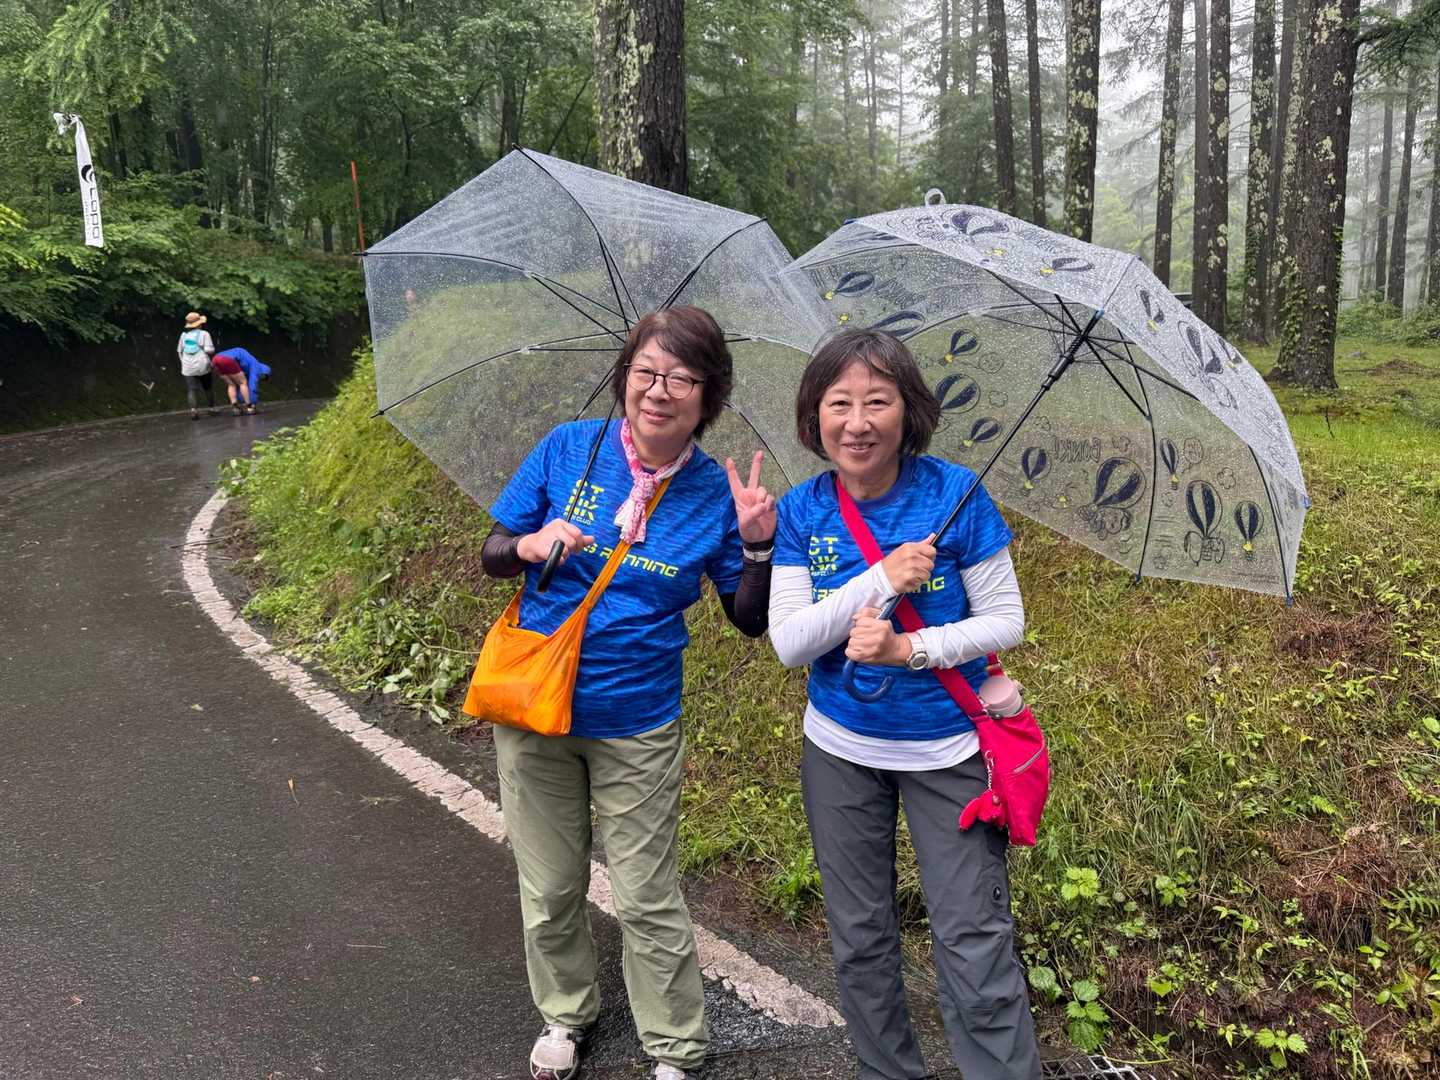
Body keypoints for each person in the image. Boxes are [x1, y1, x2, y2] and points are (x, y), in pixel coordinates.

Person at [477, 305, 776, 1080]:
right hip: (535, 704)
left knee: (645, 894)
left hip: (638, 718)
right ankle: (565, 1013)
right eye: (646, 372)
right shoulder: (568, 447)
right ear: (624, 377)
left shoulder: (714, 492)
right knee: (550, 886)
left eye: (682, 378)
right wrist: (530, 543)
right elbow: (492, 551)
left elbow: (748, 621)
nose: (659, 391)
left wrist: (756, 548)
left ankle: (674, 1046)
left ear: (709, 397)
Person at [768, 328, 1041, 1080]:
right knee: (859, 939)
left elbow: (1006, 620)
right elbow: (791, 641)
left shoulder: (955, 496)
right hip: (840, 750)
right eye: (840, 403)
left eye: (877, 402)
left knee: (973, 941)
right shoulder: (802, 510)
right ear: (815, 415)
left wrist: (908, 649)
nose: (857, 423)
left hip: (948, 752)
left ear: (908, 410)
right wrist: (883, 578)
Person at [176, 311, 216, 420]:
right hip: (203, 365)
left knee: (191, 389)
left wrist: (183, 362)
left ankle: (193, 411)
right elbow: (209, 350)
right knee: (207, 387)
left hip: (187, 366)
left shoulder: (183, 335)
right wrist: (210, 350)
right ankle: (212, 409)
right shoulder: (204, 334)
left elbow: (179, 351)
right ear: (199, 324)